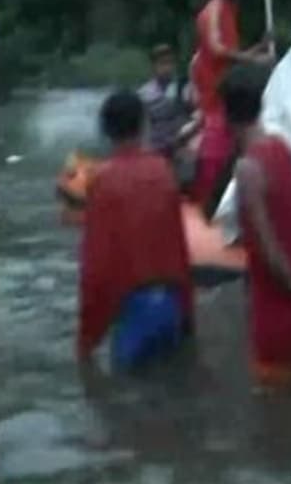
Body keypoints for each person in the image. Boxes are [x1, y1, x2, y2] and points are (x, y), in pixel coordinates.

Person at [224, 63, 291, 388]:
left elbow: (267, 248)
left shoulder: (247, 168)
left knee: (273, 414)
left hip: (271, 304)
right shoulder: (284, 149)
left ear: (226, 114)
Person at [77, 90, 194, 371]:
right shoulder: (163, 171)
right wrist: (188, 315)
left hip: (133, 312)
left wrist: (86, 340)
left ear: (105, 130)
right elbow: (179, 247)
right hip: (170, 304)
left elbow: (96, 266)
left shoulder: (103, 181)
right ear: (143, 125)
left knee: (128, 403)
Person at [191, 0, 274, 208]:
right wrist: (254, 59)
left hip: (227, 88)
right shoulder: (214, 10)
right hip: (214, 92)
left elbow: (228, 54)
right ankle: (207, 200)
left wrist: (259, 48)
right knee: (217, 145)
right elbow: (216, 49)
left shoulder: (229, 9)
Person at [137, 44, 189, 159]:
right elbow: (143, 128)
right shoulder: (144, 94)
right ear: (154, 66)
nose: (167, 68)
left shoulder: (183, 90)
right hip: (155, 149)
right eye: (162, 63)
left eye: (170, 63)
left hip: (179, 147)